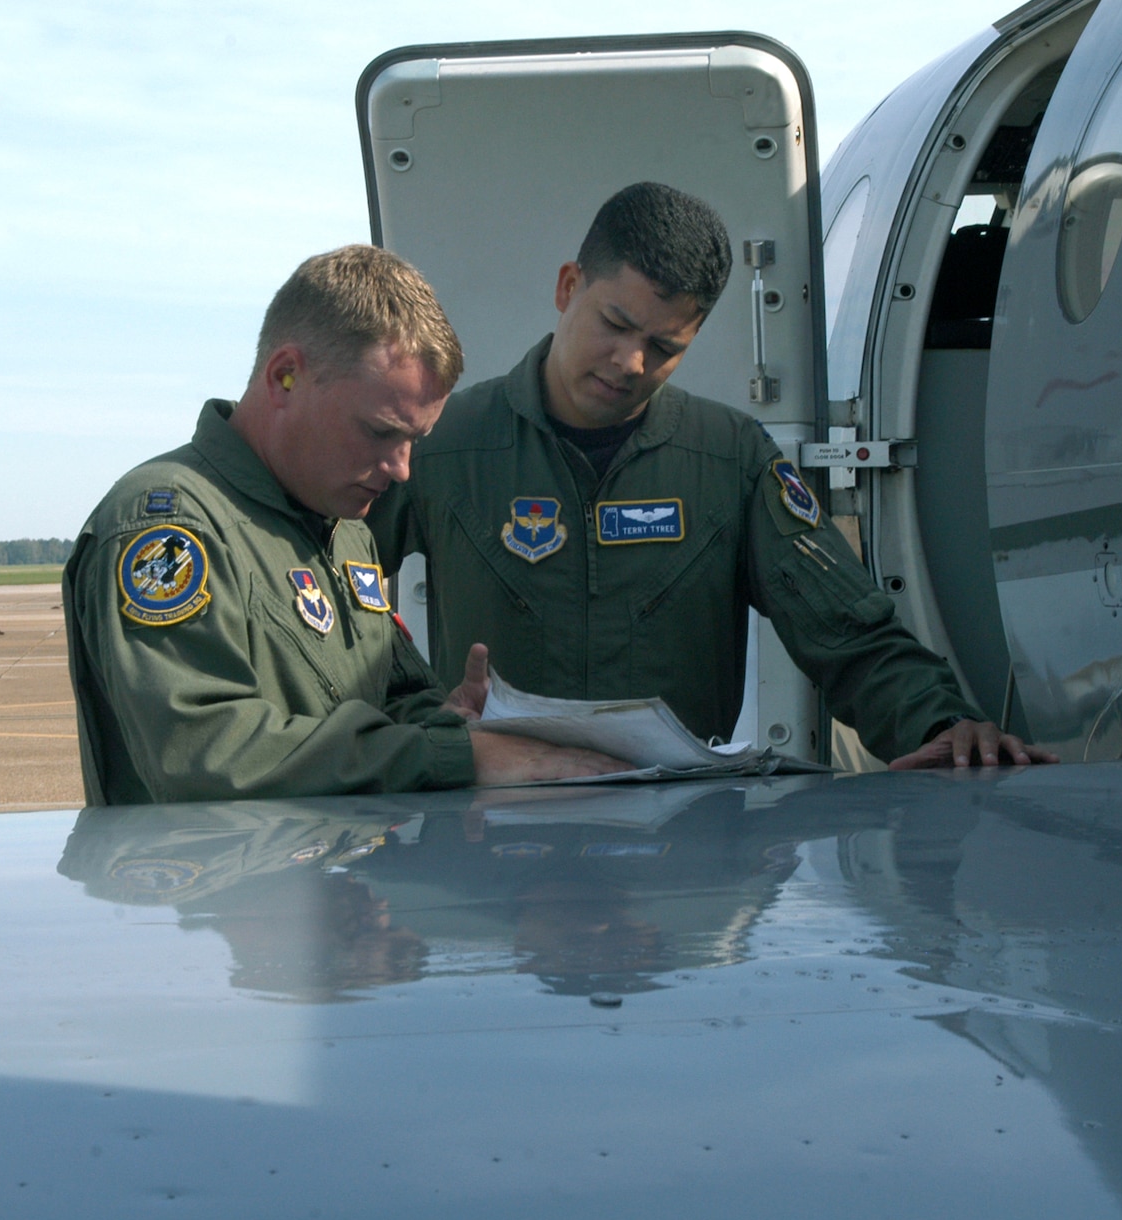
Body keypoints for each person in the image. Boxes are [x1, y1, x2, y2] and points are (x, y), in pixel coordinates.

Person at [366, 183, 1055, 770]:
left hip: (679, 845)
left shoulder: (730, 461)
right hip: (495, 834)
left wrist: (942, 726)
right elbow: (329, 595)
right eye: (616, 324)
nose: (631, 363)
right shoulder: (442, 443)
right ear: (568, 286)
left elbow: (850, 634)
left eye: (665, 346)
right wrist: (423, 712)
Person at [63, 244, 626, 805]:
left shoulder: (342, 521)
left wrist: (445, 722)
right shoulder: (169, 529)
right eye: (381, 432)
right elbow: (203, 755)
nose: (401, 469)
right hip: (219, 891)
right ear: (285, 377)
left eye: (412, 441)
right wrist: (456, 757)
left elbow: (388, 693)